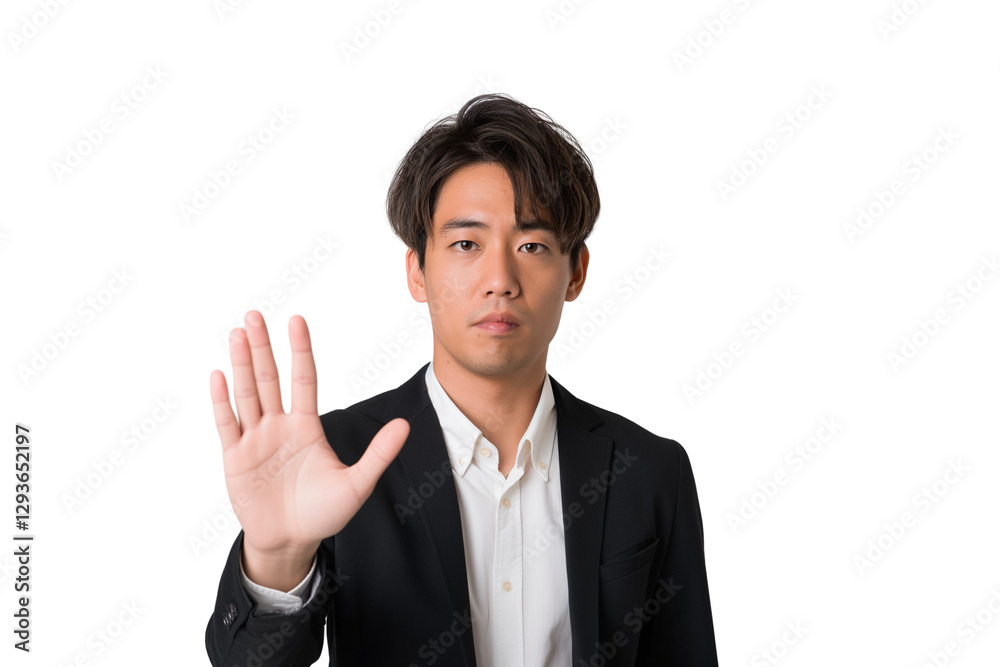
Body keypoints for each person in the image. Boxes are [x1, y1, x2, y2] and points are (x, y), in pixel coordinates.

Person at [205, 93, 719, 666]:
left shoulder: (648, 472)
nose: (500, 279)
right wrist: (276, 560)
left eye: (531, 245)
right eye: (466, 244)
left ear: (575, 271)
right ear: (417, 272)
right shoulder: (337, 458)